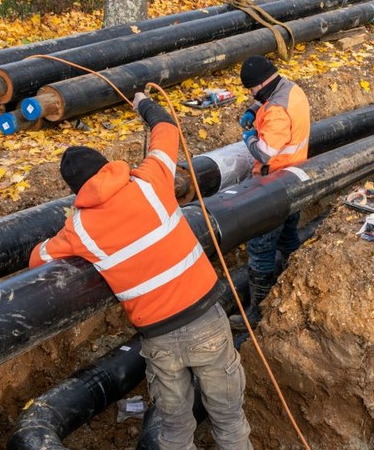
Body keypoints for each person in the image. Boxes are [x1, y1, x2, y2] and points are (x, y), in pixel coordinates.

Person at [29, 92, 251, 450]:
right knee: (229, 420)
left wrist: (69, 224)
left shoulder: (80, 230)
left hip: (159, 338)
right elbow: (166, 129)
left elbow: (38, 259)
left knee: (175, 432)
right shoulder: (150, 180)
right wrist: (143, 104)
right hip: (206, 320)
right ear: (108, 165)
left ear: (76, 191)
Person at [231, 56, 311, 329]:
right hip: (294, 180)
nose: (252, 95)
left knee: (260, 248)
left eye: (252, 90)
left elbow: (265, 153)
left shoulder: (277, 111)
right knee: (288, 236)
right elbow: (268, 98)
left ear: (262, 83)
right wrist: (254, 110)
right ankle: (293, 286)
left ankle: (257, 312)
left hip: (273, 185)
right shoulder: (291, 89)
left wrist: (249, 137)